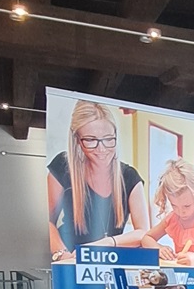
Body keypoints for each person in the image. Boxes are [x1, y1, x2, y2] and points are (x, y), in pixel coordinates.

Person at [47, 100, 149, 260]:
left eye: (109, 139)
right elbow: (47, 221)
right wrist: (63, 255)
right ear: (77, 141)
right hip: (68, 260)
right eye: (90, 140)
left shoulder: (130, 177)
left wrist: (107, 243)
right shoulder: (63, 166)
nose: (101, 149)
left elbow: (143, 233)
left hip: (108, 260)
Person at [142, 159, 194, 266]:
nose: (181, 212)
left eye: (187, 206)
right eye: (174, 206)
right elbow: (146, 238)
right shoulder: (172, 219)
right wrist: (159, 248)